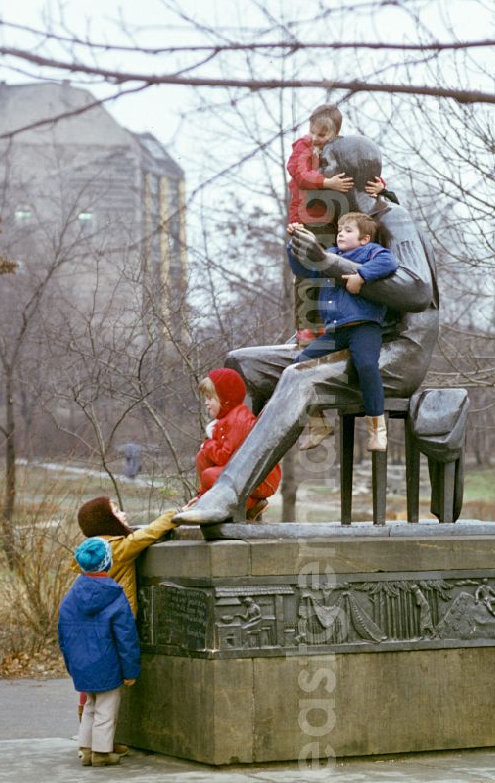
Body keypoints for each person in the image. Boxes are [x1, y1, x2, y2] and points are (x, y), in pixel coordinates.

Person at [177, 134, 438, 527]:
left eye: (327, 165)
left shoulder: (392, 220)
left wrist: (334, 265)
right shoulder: (341, 226)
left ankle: (229, 493)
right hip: (348, 335)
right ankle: (240, 483)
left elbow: (418, 290)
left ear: (350, 176)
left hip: (396, 350)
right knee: (241, 366)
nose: (317, 174)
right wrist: (305, 256)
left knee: (300, 378)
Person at [286, 105, 397, 345]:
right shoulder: (304, 146)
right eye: (313, 132)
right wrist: (326, 181)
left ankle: (331, 320)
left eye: (323, 135)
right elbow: (298, 172)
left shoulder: (336, 148)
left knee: (331, 267)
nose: (316, 138)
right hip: (307, 217)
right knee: (309, 267)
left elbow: (360, 168)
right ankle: (306, 326)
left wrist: (381, 186)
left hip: (330, 218)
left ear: (335, 132)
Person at [287, 211, 398, 451]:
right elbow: (305, 270)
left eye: (348, 231)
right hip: (336, 331)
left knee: (367, 365)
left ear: (364, 239)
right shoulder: (330, 256)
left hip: (364, 326)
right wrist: (294, 244)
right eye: (339, 230)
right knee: (299, 366)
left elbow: (389, 262)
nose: (341, 235)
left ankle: (377, 429)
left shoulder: (371, 253)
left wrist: (362, 275)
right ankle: (318, 424)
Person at [71, 497, 177, 744]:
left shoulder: (92, 550)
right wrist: (175, 514)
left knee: (91, 695)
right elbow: (146, 535)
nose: (124, 513)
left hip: (92, 632)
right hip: (115, 626)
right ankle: (101, 749)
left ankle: (86, 746)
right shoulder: (116, 550)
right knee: (107, 698)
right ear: (105, 521)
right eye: (116, 511)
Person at [58, 537, 140, 767]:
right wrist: (130, 670)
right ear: (107, 563)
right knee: (106, 709)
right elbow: (126, 636)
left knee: (90, 707)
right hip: (108, 665)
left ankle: (85, 749)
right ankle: (102, 753)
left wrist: (71, 665)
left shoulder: (71, 597)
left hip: (81, 665)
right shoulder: (115, 595)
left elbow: (63, 635)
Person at [194, 367, 280, 520]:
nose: (206, 403)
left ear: (225, 398)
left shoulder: (238, 421)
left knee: (210, 474)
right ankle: (204, 499)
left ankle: (246, 504)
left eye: (210, 398)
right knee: (202, 457)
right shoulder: (227, 418)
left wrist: (208, 444)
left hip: (261, 478)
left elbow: (224, 458)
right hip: (245, 473)